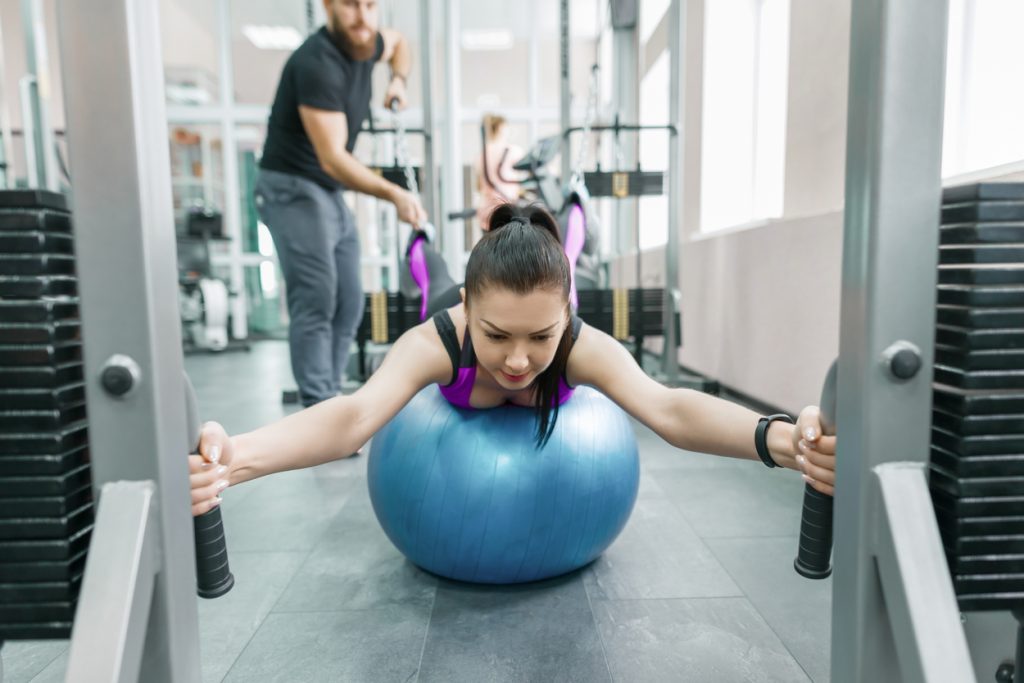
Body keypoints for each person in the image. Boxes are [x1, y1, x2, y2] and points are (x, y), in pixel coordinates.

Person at [189, 203, 836, 517]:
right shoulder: (438, 338)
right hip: (449, 294)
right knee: (429, 267)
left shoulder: (577, 342)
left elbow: (666, 406)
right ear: (472, 309)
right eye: (498, 336)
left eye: (541, 337)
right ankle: (422, 236)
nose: (520, 361)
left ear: (566, 316)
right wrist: (232, 461)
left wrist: (781, 439)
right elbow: (354, 417)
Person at [254, 0, 427, 408]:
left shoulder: (366, 43)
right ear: (329, 5)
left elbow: (401, 44)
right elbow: (333, 156)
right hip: (291, 186)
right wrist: (394, 193)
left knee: (350, 299)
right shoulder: (317, 63)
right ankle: (321, 406)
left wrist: (398, 81)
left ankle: (329, 396)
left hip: (326, 189)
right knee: (317, 296)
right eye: (351, 4)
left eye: (370, 5)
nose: (363, 17)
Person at [475, 115, 524, 230]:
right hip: (507, 210)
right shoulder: (513, 151)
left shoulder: (481, 155)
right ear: (501, 128)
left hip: (486, 212)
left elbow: (478, 186)